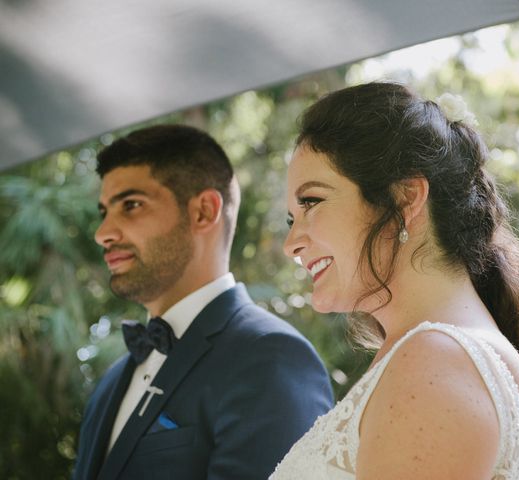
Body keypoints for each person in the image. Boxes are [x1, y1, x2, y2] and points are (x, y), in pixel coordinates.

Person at [270, 83, 519, 479]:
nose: (292, 244)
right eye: (291, 218)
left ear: (406, 198)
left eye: (312, 203)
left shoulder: (435, 362)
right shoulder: (439, 353)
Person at [73, 124, 334, 480]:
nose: (103, 233)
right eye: (104, 211)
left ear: (203, 211)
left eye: (131, 205)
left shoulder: (270, 358)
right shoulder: (112, 382)